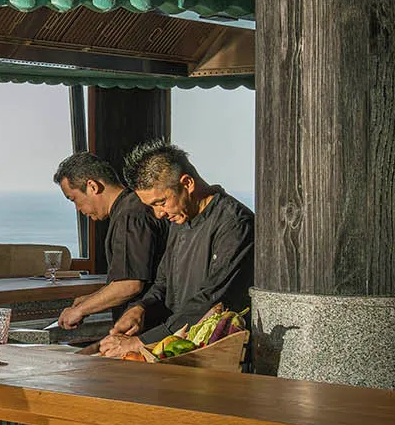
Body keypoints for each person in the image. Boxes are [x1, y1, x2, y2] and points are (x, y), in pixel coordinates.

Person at [99, 139, 253, 357]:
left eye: (160, 202)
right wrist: (140, 308)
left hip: (216, 355)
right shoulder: (180, 219)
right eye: (152, 206)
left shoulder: (235, 224)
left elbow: (211, 300)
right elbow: (163, 283)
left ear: (187, 183)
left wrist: (140, 342)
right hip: (175, 350)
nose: (159, 214)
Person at [50, 151, 166, 330]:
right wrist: (91, 299)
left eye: (74, 199)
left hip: (148, 328)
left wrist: (80, 310)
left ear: (92, 187)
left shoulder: (130, 215)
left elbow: (130, 284)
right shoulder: (130, 208)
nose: (78, 209)